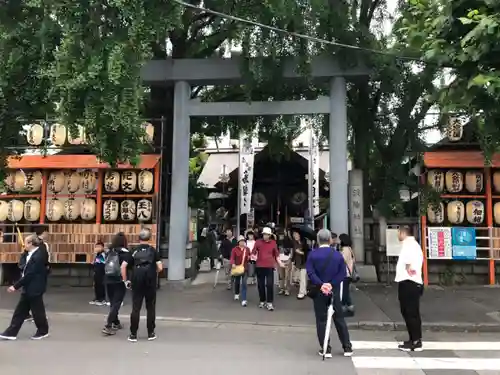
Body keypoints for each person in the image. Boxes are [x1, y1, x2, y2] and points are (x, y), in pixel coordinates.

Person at [306, 229, 353, 357]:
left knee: (321, 319)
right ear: (330, 240)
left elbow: (310, 272)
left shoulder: (313, 254)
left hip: (319, 290)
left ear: (318, 239)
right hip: (334, 290)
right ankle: (347, 347)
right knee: (339, 318)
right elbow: (342, 273)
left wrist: (322, 284)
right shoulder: (337, 254)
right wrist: (331, 284)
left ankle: (326, 348)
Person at [0, 234, 50, 341]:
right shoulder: (30, 254)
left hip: (35, 287)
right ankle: (11, 332)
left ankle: (43, 331)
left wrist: (15, 286)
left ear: (31, 243)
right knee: (20, 311)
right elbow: (23, 265)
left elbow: (30, 274)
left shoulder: (39, 256)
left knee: (37, 311)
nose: (24, 244)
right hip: (29, 287)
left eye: (26, 242)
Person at [121, 228, 162, 342]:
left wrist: (126, 281)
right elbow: (160, 267)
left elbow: (123, 267)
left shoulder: (133, 251)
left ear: (139, 238)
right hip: (150, 282)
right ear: (149, 238)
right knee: (150, 307)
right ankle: (151, 333)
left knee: (136, 308)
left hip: (137, 281)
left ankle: (133, 334)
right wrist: (152, 273)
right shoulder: (153, 251)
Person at [396, 225, 424, 352]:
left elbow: (407, 263)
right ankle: (413, 338)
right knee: (410, 312)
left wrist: (408, 271)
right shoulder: (414, 245)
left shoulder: (408, 245)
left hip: (409, 282)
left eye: (398, 232)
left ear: (403, 233)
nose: (397, 235)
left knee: (410, 312)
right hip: (412, 281)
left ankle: (416, 341)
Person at [102, 232, 132, 336]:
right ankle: (108, 325)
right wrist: (125, 281)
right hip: (119, 280)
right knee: (117, 303)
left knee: (113, 302)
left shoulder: (109, 252)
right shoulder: (126, 253)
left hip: (108, 279)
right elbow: (124, 267)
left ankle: (116, 322)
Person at [253, 227, 280, 311]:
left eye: (267, 235)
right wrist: (252, 256)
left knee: (269, 284)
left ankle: (269, 302)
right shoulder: (258, 242)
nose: (265, 236)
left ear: (270, 235)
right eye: (264, 234)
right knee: (260, 285)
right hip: (259, 266)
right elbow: (253, 252)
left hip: (269, 266)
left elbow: (277, 255)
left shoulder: (273, 243)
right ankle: (262, 300)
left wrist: (280, 263)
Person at [230, 235, 250, 307]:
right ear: (238, 242)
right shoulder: (234, 249)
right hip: (237, 268)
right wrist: (233, 263)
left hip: (245, 268)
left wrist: (250, 258)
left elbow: (249, 257)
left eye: (243, 241)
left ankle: (244, 299)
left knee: (244, 283)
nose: (242, 242)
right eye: (241, 241)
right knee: (237, 282)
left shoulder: (247, 249)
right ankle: (237, 293)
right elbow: (232, 258)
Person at [291, 230, 310, 299]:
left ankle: (301, 293)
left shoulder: (305, 243)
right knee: (300, 278)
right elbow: (293, 253)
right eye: (294, 234)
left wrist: (300, 252)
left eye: (296, 234)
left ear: (300, 235)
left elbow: (308, 254)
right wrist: (292, 261)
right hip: (297, 263)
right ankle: (304, 290)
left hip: (304, 263)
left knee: (302, 278)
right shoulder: (295, 243)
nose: (295, 236)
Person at [338, 233, 355, 312]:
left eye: (340, 239)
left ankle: (344, 306)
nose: (339, 241)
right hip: (349, 273)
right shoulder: (350, 249)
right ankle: (349, 305)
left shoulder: (345, 249)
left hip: (345, 273)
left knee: (344, 291)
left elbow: (342, 260)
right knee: (346, 290)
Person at [90, 241, 107, 305]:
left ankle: (102, 299)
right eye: (96, 247)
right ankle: (97, 298)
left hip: (102, 272)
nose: (97, 248)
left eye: (99, 247)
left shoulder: (103, 254)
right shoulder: (97, 254)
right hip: (96, 271)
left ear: (102, 247)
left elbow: (104, 262)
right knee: (96, 285)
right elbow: (93, 262)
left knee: (101, 285)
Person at [278, 231, 293, 296]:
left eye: (281, 235)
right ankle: (282, 289)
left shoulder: (289, 242)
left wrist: (289, 260)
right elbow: (277, 252)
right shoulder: (278, 243)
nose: (280, 237)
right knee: (281, 276)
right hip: (280, 261)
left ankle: (287, 290)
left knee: (287, 276)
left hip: (287, 261)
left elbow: (291, 252)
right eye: (280, 235)